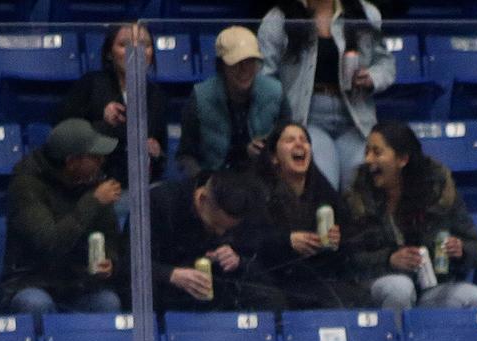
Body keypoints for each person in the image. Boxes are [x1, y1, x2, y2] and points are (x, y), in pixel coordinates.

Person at [344, 121, 477, 310]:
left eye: (377, 152)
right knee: (400, 288)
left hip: (430, 288)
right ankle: (390, 338)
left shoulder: (438, 192)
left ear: (402, 159)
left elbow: (475, 247)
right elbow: (349, 257)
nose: (368, 159)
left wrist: (461, 250)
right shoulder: (358, 195)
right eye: (367, 152)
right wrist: (389, 259)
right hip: (376, 287)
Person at [257, 0, 396, 190]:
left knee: (358, 187)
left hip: (355, 119)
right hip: (307, 119)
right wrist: (274, 124)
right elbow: (265, 77)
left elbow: (385, 63)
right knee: (323, 182)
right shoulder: (278, 18)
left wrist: (372, 77)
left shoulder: (366, 12)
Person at [0, 118, 125, 316]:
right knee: (36, 305)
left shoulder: (94, 183)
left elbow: (110, 236)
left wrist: (110, 262)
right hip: (32, 281)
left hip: (78, 284)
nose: (102, 161)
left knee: (108, 303)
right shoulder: (26, 186)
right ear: (72, 161)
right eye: (94, 157)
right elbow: (49, 243)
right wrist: (92, 202)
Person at [254, 123, 365, 309]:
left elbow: (351, 241)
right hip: (275, 281)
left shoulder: (324, 191)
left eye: (304, 140)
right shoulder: (257, 191)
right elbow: (250, 240)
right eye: (290, 140)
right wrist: (287, 242)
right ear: (273, 157)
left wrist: (338, 239)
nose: (299, 144)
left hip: (319, 279)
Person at [148, 169, 282, 311]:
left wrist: (238, 261)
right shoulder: (160, 203)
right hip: (166, 294)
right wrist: (172, 274)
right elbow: (129, 265)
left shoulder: (243, 208)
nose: (220, 233)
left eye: (227, 229)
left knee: (269, 297)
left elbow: (261, 264)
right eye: (215, 226)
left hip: (220, 293)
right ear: (202, 199)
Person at [57, 23, 169, 185]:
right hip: (94, 183)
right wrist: (102, 119)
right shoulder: (91, 84)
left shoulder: (157, 96)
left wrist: (157, 153)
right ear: (109, 53)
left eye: (145, 45)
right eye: (125, 45)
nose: (136, 52)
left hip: (139, 186)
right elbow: (63, 135)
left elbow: (161, 155)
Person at [178, 26, 286, 177]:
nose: (244, 69)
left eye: (250, 62)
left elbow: (287, 141)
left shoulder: (276, 92)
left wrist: (268, 151)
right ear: (221, 65)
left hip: (265, 181)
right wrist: (202, 183)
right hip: (215, 183)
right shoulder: (200, 97)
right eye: (236, 63)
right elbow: (185, 156)